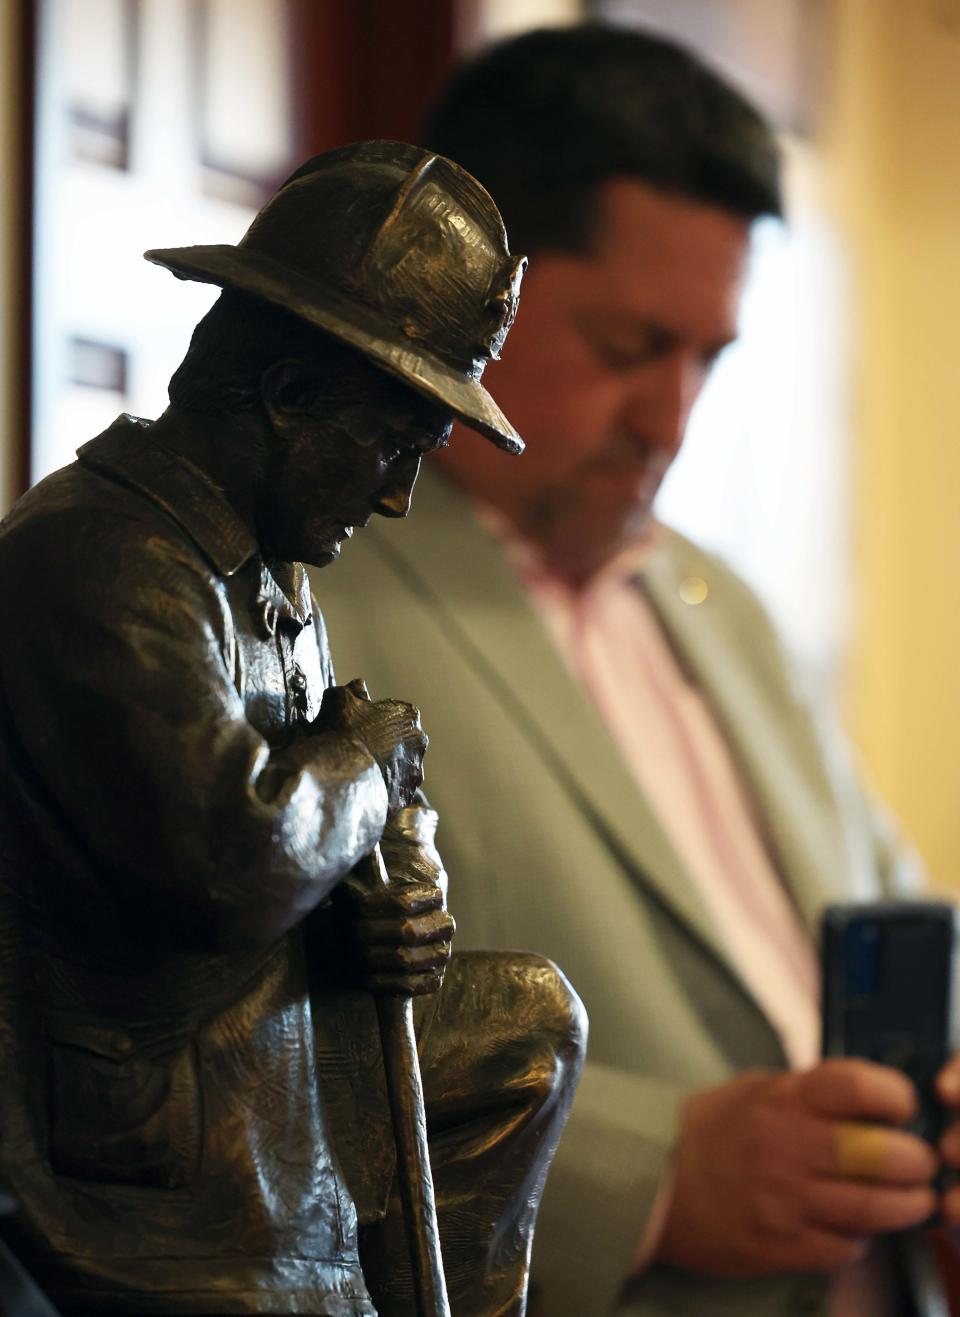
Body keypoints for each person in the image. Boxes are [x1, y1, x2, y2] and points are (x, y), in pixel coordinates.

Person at [314, 29, 960, 1317]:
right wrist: (648, 1177)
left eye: (708, 358)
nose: (672, 420)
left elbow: (889, 900)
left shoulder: (730, 611)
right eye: (625, 345)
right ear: (464, 295)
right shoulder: (307, 602)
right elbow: (227, 1052)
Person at [0, 141, 585, 1317]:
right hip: (155, 1127)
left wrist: (395, 895)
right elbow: (238, 858)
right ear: (290, 396)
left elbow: (327, 833)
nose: (395, 498)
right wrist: (368, 767)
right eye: (393, 445)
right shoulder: (102, 558)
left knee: (529, 1022)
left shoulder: (258, 571)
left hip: (273, 1058)